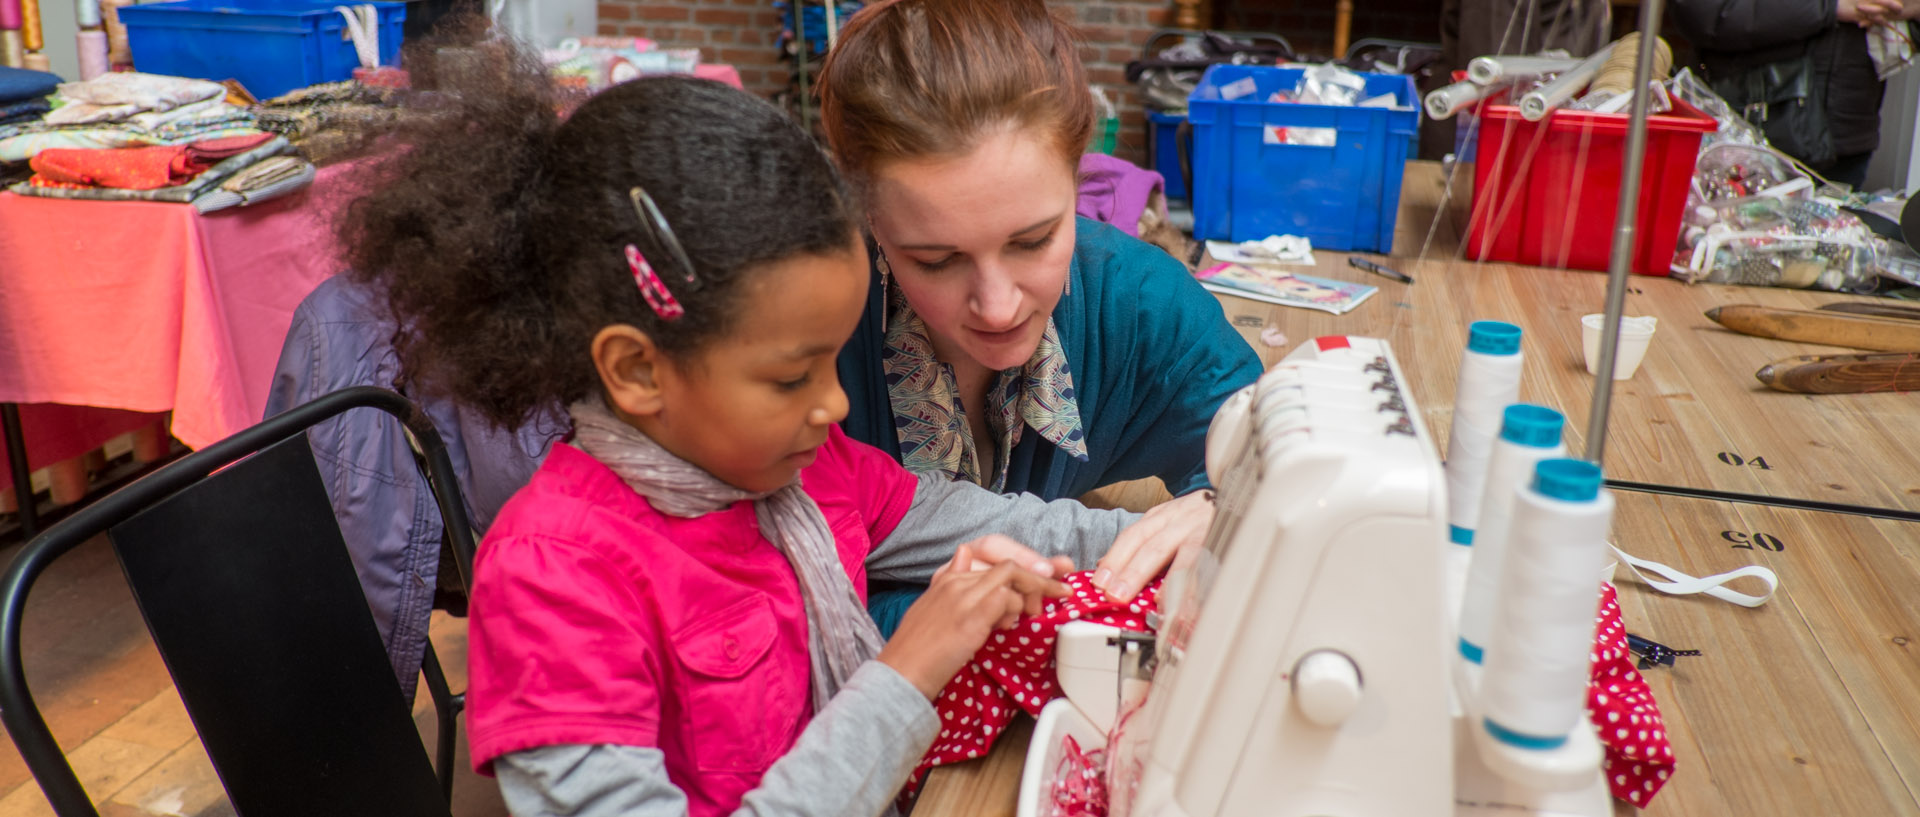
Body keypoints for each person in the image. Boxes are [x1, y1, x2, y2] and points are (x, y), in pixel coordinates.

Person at [338, 36, 1170, 817]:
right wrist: (906, 672)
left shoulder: (802, 468)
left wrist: (1169, 540)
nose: (834, 403)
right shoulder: (554, 581)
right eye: (790, 375)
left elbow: (999, 524)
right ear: (635, 370)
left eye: (832, 362)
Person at [817, 0, 1264, 623]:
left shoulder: (1137, 306)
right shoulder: (802, 335)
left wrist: (1234, 507)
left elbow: (1284, 460)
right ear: (867, 219)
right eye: (935, 259)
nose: (997, 309)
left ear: (1079, 173)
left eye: (1032, 241)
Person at [1671, 0, 1918, 188]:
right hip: (1746, 130)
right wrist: (1828, 6)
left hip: (1847, 134)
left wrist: (1903, 7)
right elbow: (1704, 13)